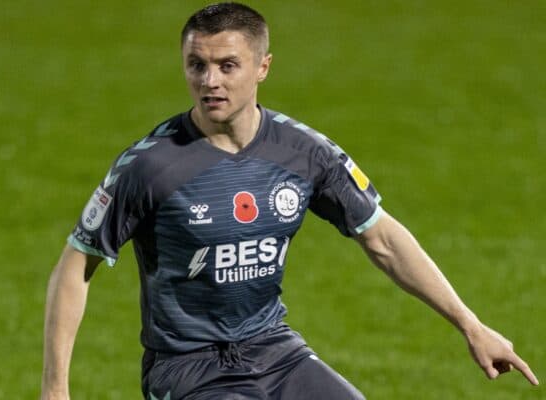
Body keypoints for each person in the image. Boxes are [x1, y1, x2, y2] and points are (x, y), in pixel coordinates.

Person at [40, 3, 539, 399]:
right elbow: (77, 261)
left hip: (273, 350)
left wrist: (471, 326)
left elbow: (382, 237)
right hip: (186, 366)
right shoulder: (150, 165)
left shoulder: (304, 153)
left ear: (263, 67)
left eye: (226, 65)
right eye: (197, 64)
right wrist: (55, 387)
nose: (209, 81)